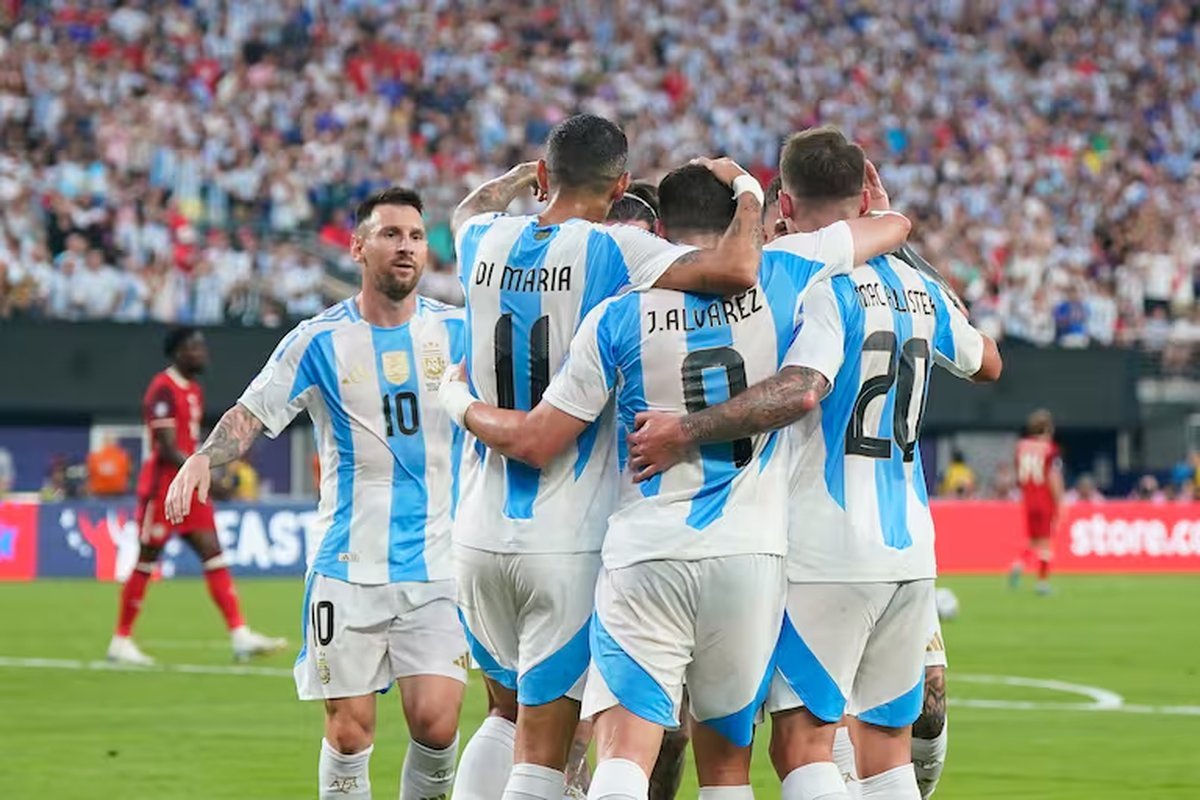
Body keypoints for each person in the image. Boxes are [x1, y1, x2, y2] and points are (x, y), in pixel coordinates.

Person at [441, 157, 911, 800]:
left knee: (623, 753)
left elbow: (538, 438)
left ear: (658, 227)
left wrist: (457, 398)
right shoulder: (789, 270)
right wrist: (750, 185)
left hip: (644, 555)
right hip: (750, 557)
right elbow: (890, 225)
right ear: (747, 219)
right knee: (726, 771)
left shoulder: (614, 312)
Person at [626, 127, 1002, 800]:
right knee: (886, 751)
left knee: (802, 743)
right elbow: (989, 362)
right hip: (911, 553)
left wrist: (687, 430)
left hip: (826, 547)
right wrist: (895, 232)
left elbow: (801, 388)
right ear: (866, 194)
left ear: (787, 203)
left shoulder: (810, 277)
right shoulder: (920, 287)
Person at [446, 112, 784, 800]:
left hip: (477, 533)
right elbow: (736, 268)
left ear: (543, 175)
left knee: (502, 716)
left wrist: (515, 185)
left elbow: (466, 208)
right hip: (566, 539)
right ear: (623, 185)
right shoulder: (616, 247)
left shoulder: (480, 239)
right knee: (544, 752)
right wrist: (748, 188)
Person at [165, 188, 470, 800]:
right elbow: (252, 413)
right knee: (350, 733)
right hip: (345, 569)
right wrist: (202, 455)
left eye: (414, 236)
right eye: (390, 234)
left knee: (437, 724)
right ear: (358, 248)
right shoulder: (317, 340)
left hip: (438, 564)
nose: (405, 247)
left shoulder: (460, 331)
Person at [106, 327, 284, 667]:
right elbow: (167, 447)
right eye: (194, 348)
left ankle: (239, 634)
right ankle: (121, 639)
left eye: (202, 347)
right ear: (177, 353)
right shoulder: (163, 388)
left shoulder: (194, 390)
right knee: (147, 557)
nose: (201, 353)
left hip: (191, 488)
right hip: (163, 488)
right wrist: (210, 479)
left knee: (212, 552)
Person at [1011, 409, 1063, 595]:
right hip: (1044, 499)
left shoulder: (1021, 447)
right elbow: (1053, 477)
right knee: (1046, 542)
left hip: (1028, 498)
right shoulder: (1050, 449)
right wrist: (1059, 502)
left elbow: (1018, 474)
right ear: (1048, 428)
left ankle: (1018, 565)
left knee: (1034, 541)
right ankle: (1042, 583)